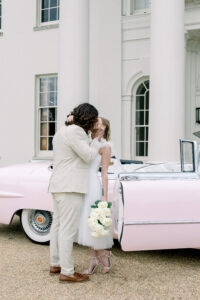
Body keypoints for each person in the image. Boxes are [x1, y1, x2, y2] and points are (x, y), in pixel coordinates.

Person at [48, 103, 104, 283]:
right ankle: (67, 271)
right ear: (88, 118)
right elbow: (88, 156)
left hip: (59, 185)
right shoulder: (75, 132)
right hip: (70, 187)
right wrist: (97, 140)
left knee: (57, 227)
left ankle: (56, 263)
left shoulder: (63, 131)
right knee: (67, 229)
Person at [77, 117, 114, 275]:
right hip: (79, 184)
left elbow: (104, 173)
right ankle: (96, 257)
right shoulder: (84, 141)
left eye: (100, 123)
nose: (96, 125)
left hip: (92, 185)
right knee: (85, 223)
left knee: (94, 223)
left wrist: (105, 196)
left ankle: (100, 256)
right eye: (95, 122)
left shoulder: (105, 146)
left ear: (105, 128)